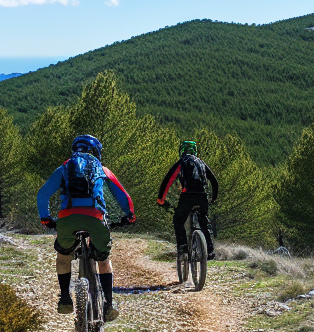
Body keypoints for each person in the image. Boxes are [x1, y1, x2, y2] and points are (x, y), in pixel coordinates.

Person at [37, 134, 135, 320]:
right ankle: (108, 303)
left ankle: (65, 298)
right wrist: (129, 216)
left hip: (67, 219)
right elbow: (122, 195)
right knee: (103, 260)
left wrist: (46, 218)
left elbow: (42, 195)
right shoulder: (102, 169)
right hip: (95, 219)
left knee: (63, 256)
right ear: (96, 152)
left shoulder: (64, 167)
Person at [157, 140, 218, 260]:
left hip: (188, 196)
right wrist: (213, 198)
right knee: (203, 222)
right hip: (202, 196)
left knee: (178, 220)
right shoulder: (201, 163)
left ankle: (183, 247)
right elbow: (214, 181)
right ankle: (209, 250)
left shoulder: (183, 162)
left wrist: (161, 199)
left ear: (182, 151)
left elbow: (168, 180)